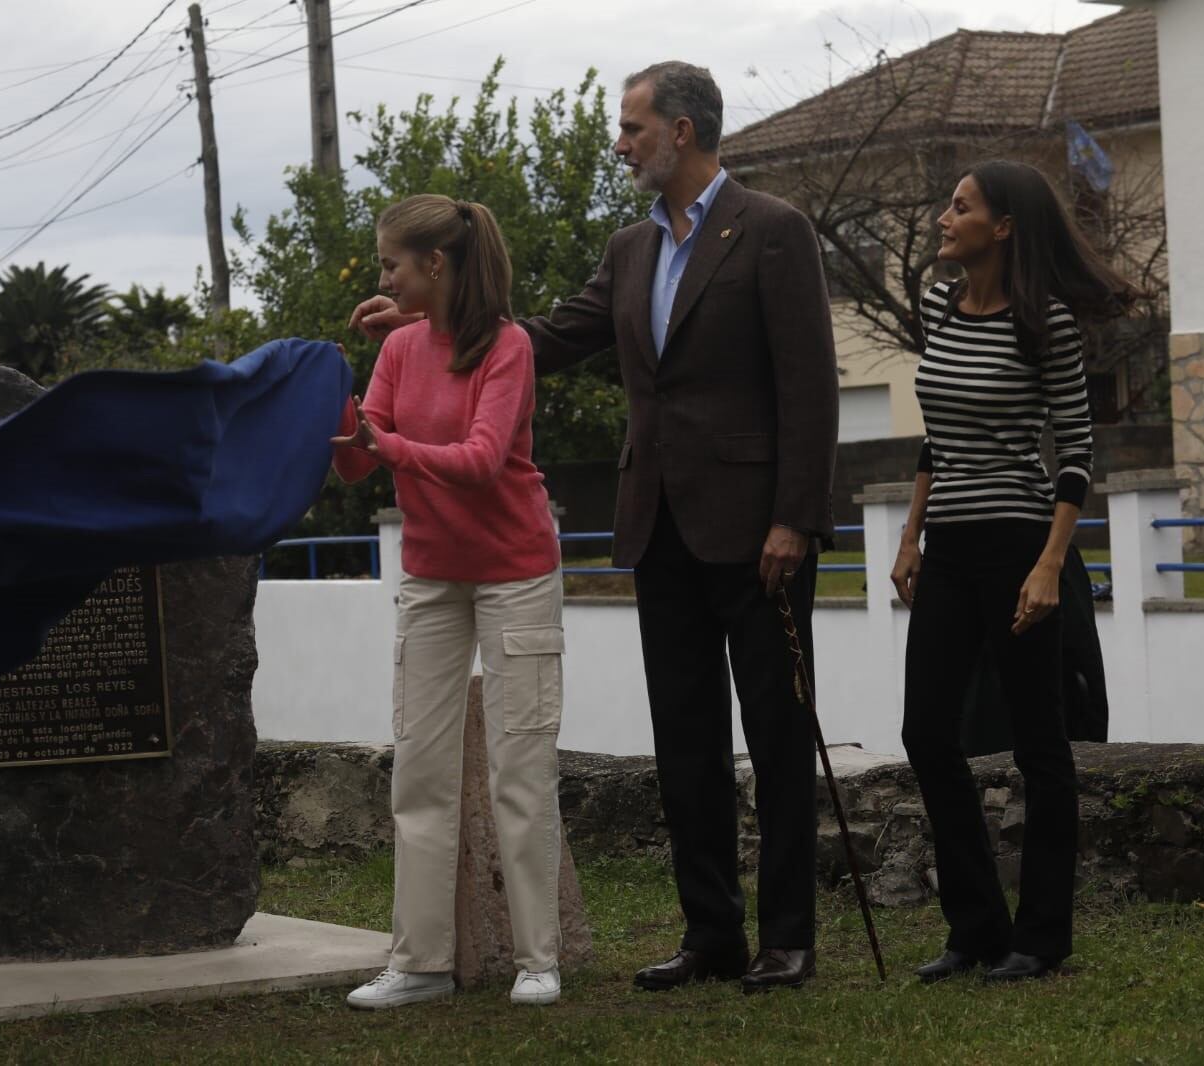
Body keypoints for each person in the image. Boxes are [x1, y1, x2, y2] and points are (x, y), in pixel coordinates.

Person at [352, 62, 839, 993]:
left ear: (681, 131)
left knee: (777, 734)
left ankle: (788, 938)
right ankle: (711, 936)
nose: (620, 144)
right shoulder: (630, 248)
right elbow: (543, 336)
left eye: (631, 127)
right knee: (685, 738)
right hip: (656, 523)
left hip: (756, 530)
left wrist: (795, 518)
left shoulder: (774, 229)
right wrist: (429, 316)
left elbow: (811, 384)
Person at [891, 159, 1139, 983]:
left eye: (959, 207)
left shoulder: (1046, 323)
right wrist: (910, 538)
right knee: (927, 732)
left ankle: (1041, 937)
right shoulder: (939, 306)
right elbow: (937, 437)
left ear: (1001, 228)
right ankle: (977, 929)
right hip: (951, 550)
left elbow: (1076, 454)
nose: (943, 217)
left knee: (1039, 743)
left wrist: (1048, 566)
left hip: (1022, 545)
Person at [335, 194, 567, 1010]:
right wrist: (335, 396)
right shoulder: (399, 347)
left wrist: (384, 443)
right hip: (432, 575)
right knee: (420, 770)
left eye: (392, 264)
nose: (383, 279)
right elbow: (358, 463)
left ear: (435, 265)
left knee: (520, 770)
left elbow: (480, 460)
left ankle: (538, 960)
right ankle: (421, 964)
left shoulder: (508, 347)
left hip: (516, 571)